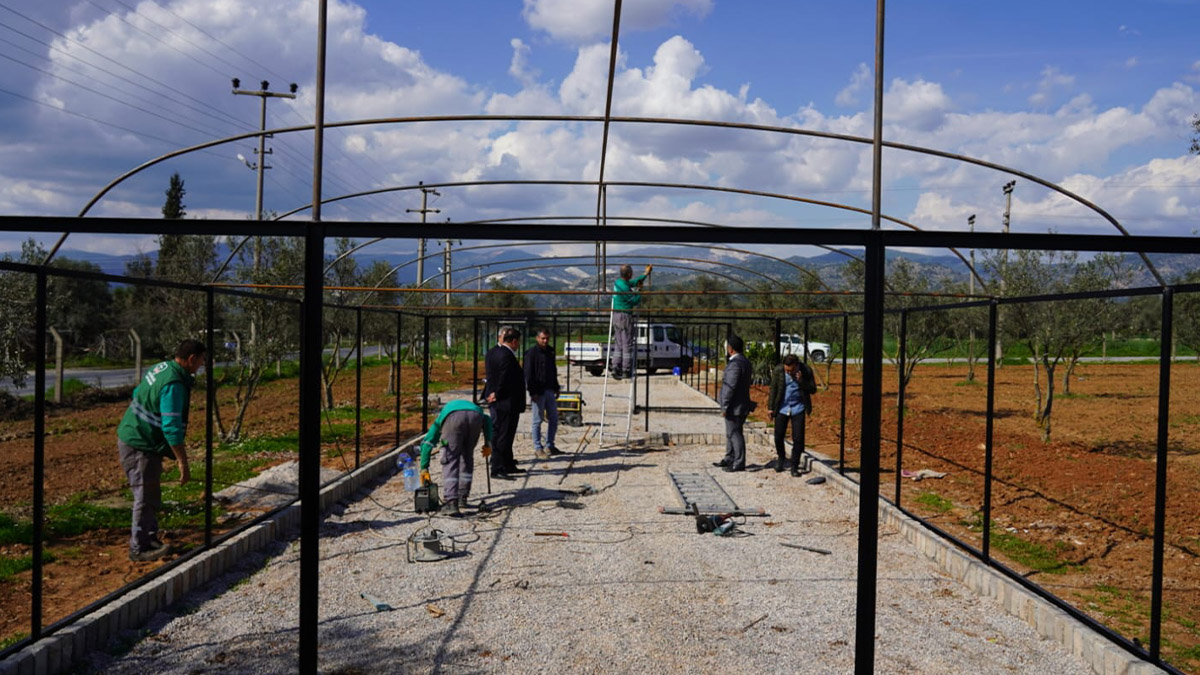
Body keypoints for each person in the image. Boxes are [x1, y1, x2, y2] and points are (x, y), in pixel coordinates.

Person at [116, 339, 206, 562]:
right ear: (191, 359)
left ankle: (149, 537)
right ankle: (139, 548)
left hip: (138, 437)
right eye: (201, 361)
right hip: (139, 443)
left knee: (152, 492)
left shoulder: (162, 367)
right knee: (145, 496)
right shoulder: (174, 384)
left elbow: (139, 391)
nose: (201, 366)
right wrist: (182, 462)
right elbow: (172, 427)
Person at [418, 399, 493, 517]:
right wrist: (488, 443)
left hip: (454, 418)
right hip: (476, 416)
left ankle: (451, 502)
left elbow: (427, 443)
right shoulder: (469, 407)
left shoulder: (440, 420)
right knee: (467, 458)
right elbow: (487, 420)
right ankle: (462, 496)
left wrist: (424, 468)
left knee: (450, 460)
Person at [482, 325, 525, 480]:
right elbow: (504, 379)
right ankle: (498, 467)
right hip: (506, 402)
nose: (518, 345)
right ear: (513, 341)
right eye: (518, 342)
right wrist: (497, 394)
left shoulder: (494, 353)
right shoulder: (506, 355)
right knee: (503, 435)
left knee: (505, 434)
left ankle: (508, 463)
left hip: (502, 401)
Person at [768, 354, 814, 477]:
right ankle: (781, 458)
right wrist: (770, 408)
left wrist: (801, 381)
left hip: (798, 408)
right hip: (782, 407)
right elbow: (774, 389)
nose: (788, 372)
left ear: (796, 366)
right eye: (786, 370)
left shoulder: (806, 370)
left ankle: (794, 465)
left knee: (798, 438)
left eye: (791, 370)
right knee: (778, 436)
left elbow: (813, 389)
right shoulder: (779, 371)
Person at [713, 334, 753, 473]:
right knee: (731, 432)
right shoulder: (745, 361)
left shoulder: (736, 364)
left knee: (735, 433)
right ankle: (729, 457)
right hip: (740, 404)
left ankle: (739, 462)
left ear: (731, 349)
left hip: (735, 406)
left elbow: (730, 386)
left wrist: (725, 405)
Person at [524, 328, 562, 459]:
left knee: (554, 418)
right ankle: (537, 447)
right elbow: (528, 374)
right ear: (537, 338)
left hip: (549, 389)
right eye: (542, 338)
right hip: (538, 392)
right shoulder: (531, 353)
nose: (545, 341)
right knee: (537, 420)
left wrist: (556, 387)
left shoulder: (550, 351)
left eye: (547, 338)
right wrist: (532, 391)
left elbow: (553, 370)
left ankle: (550, 445)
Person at [610, 263, 651, 379]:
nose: (632, 274)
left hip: (616, 315)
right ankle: (625, 369)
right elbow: (634, 300)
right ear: (628, 274)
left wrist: (645, 275)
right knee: (627, 344)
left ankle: (615, 367)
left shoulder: (618, 282)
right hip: (624, 315)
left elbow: (632, 283)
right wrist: (639, 291)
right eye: (631, 272)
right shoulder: (625, 288)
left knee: (618, 344)